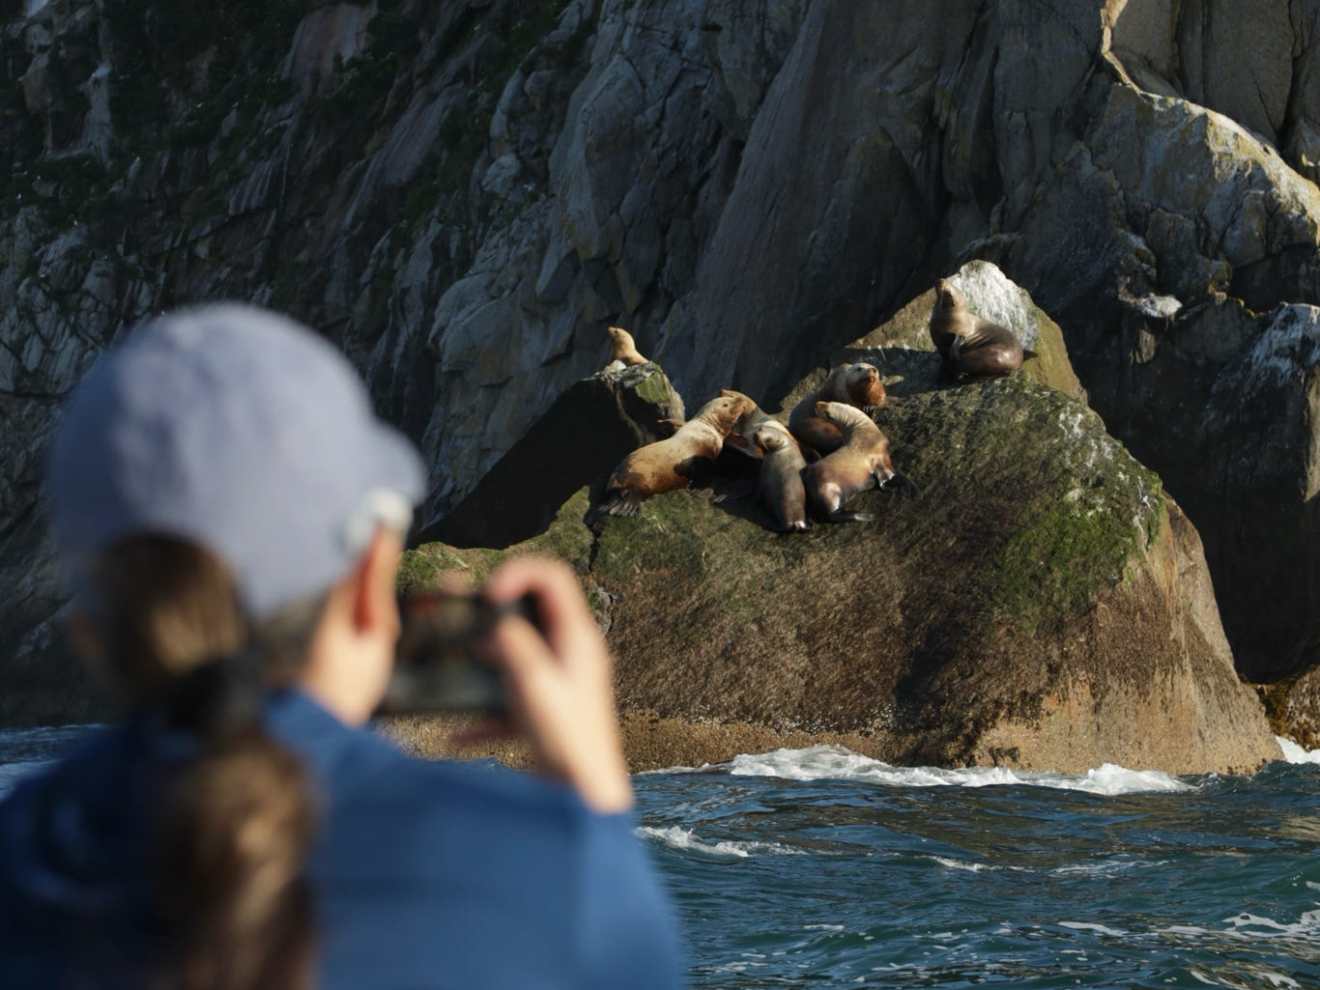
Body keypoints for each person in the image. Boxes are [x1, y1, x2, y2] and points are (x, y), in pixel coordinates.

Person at [0, 305, 684, 989]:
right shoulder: (548, 884)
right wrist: (591, 808)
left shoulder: (21, 855)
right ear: (369, 583)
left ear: (91, 631)